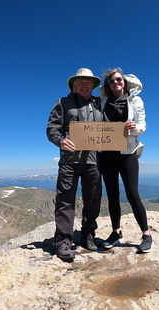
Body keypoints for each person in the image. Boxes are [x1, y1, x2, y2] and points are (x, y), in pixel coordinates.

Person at [46, 68, 103, 261]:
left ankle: (88, 235)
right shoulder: (63, 102)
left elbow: (109, 128)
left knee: (93, 199)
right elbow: (52, 128)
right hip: (70, 161)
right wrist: (60, 141)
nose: (85, 85)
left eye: (88, 82)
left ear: (93, 86)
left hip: (94, 160)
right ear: (74, 85)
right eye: (81, 82)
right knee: (65, 200)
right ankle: (63, 241)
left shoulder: (99, 104)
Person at [99, 68, 153, 253]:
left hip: (127, 152)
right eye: (112, 81)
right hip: (107, 153)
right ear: (108, 85)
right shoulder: (103, 102)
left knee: (132, 193)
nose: (116, 83)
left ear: (125, 81)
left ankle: (146, 235)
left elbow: (143, 124)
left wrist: (134, 127)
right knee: (112, 195)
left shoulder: (135, 100)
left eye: (118, 79)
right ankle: (116, 233)